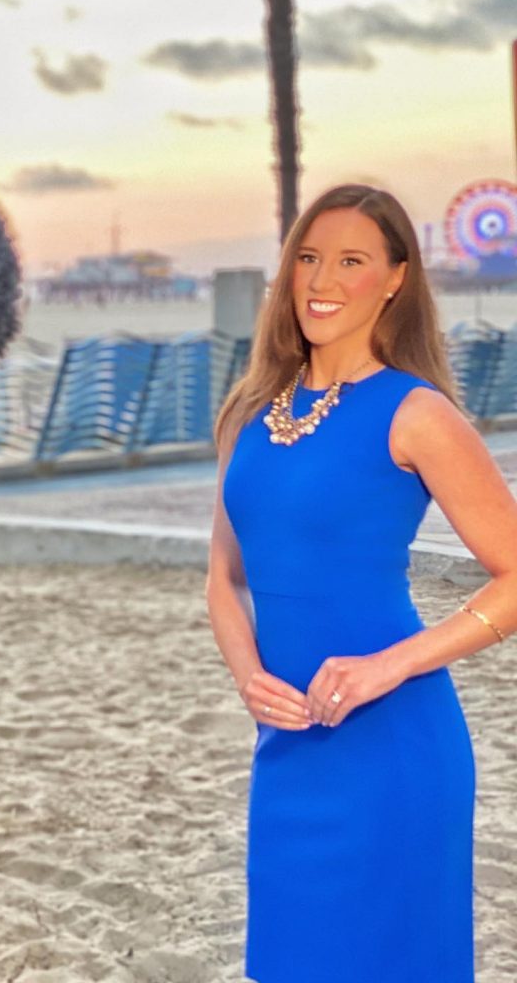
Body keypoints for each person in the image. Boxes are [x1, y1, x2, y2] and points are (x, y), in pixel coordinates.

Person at [206, 183, 517, 982]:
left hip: (395, 752)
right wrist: (249, 677)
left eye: (351, 260)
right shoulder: (248, 413)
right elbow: (225, 579)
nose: (322, 279)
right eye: (308, 258)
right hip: (289, 749)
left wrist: (393, 663)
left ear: (395, 279)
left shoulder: (416, 413)